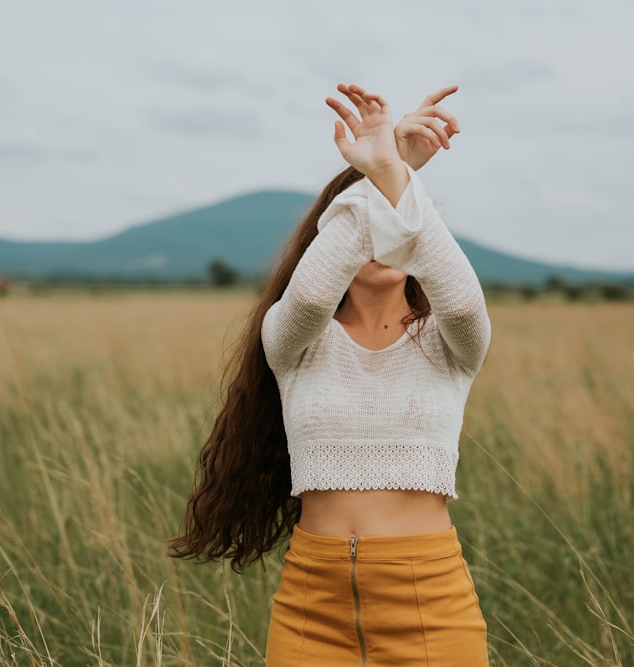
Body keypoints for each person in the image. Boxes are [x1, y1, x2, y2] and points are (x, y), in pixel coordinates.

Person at [170, 83, 491, 666]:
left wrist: (394, 173)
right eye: (366, 224)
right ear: (336, 234)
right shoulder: (293, 338)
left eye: (396, 224)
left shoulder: (451, 341)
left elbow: (466, 303)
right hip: (311, 602)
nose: (381, 238)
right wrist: (386, 177)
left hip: (428, 598)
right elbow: (316, 289)